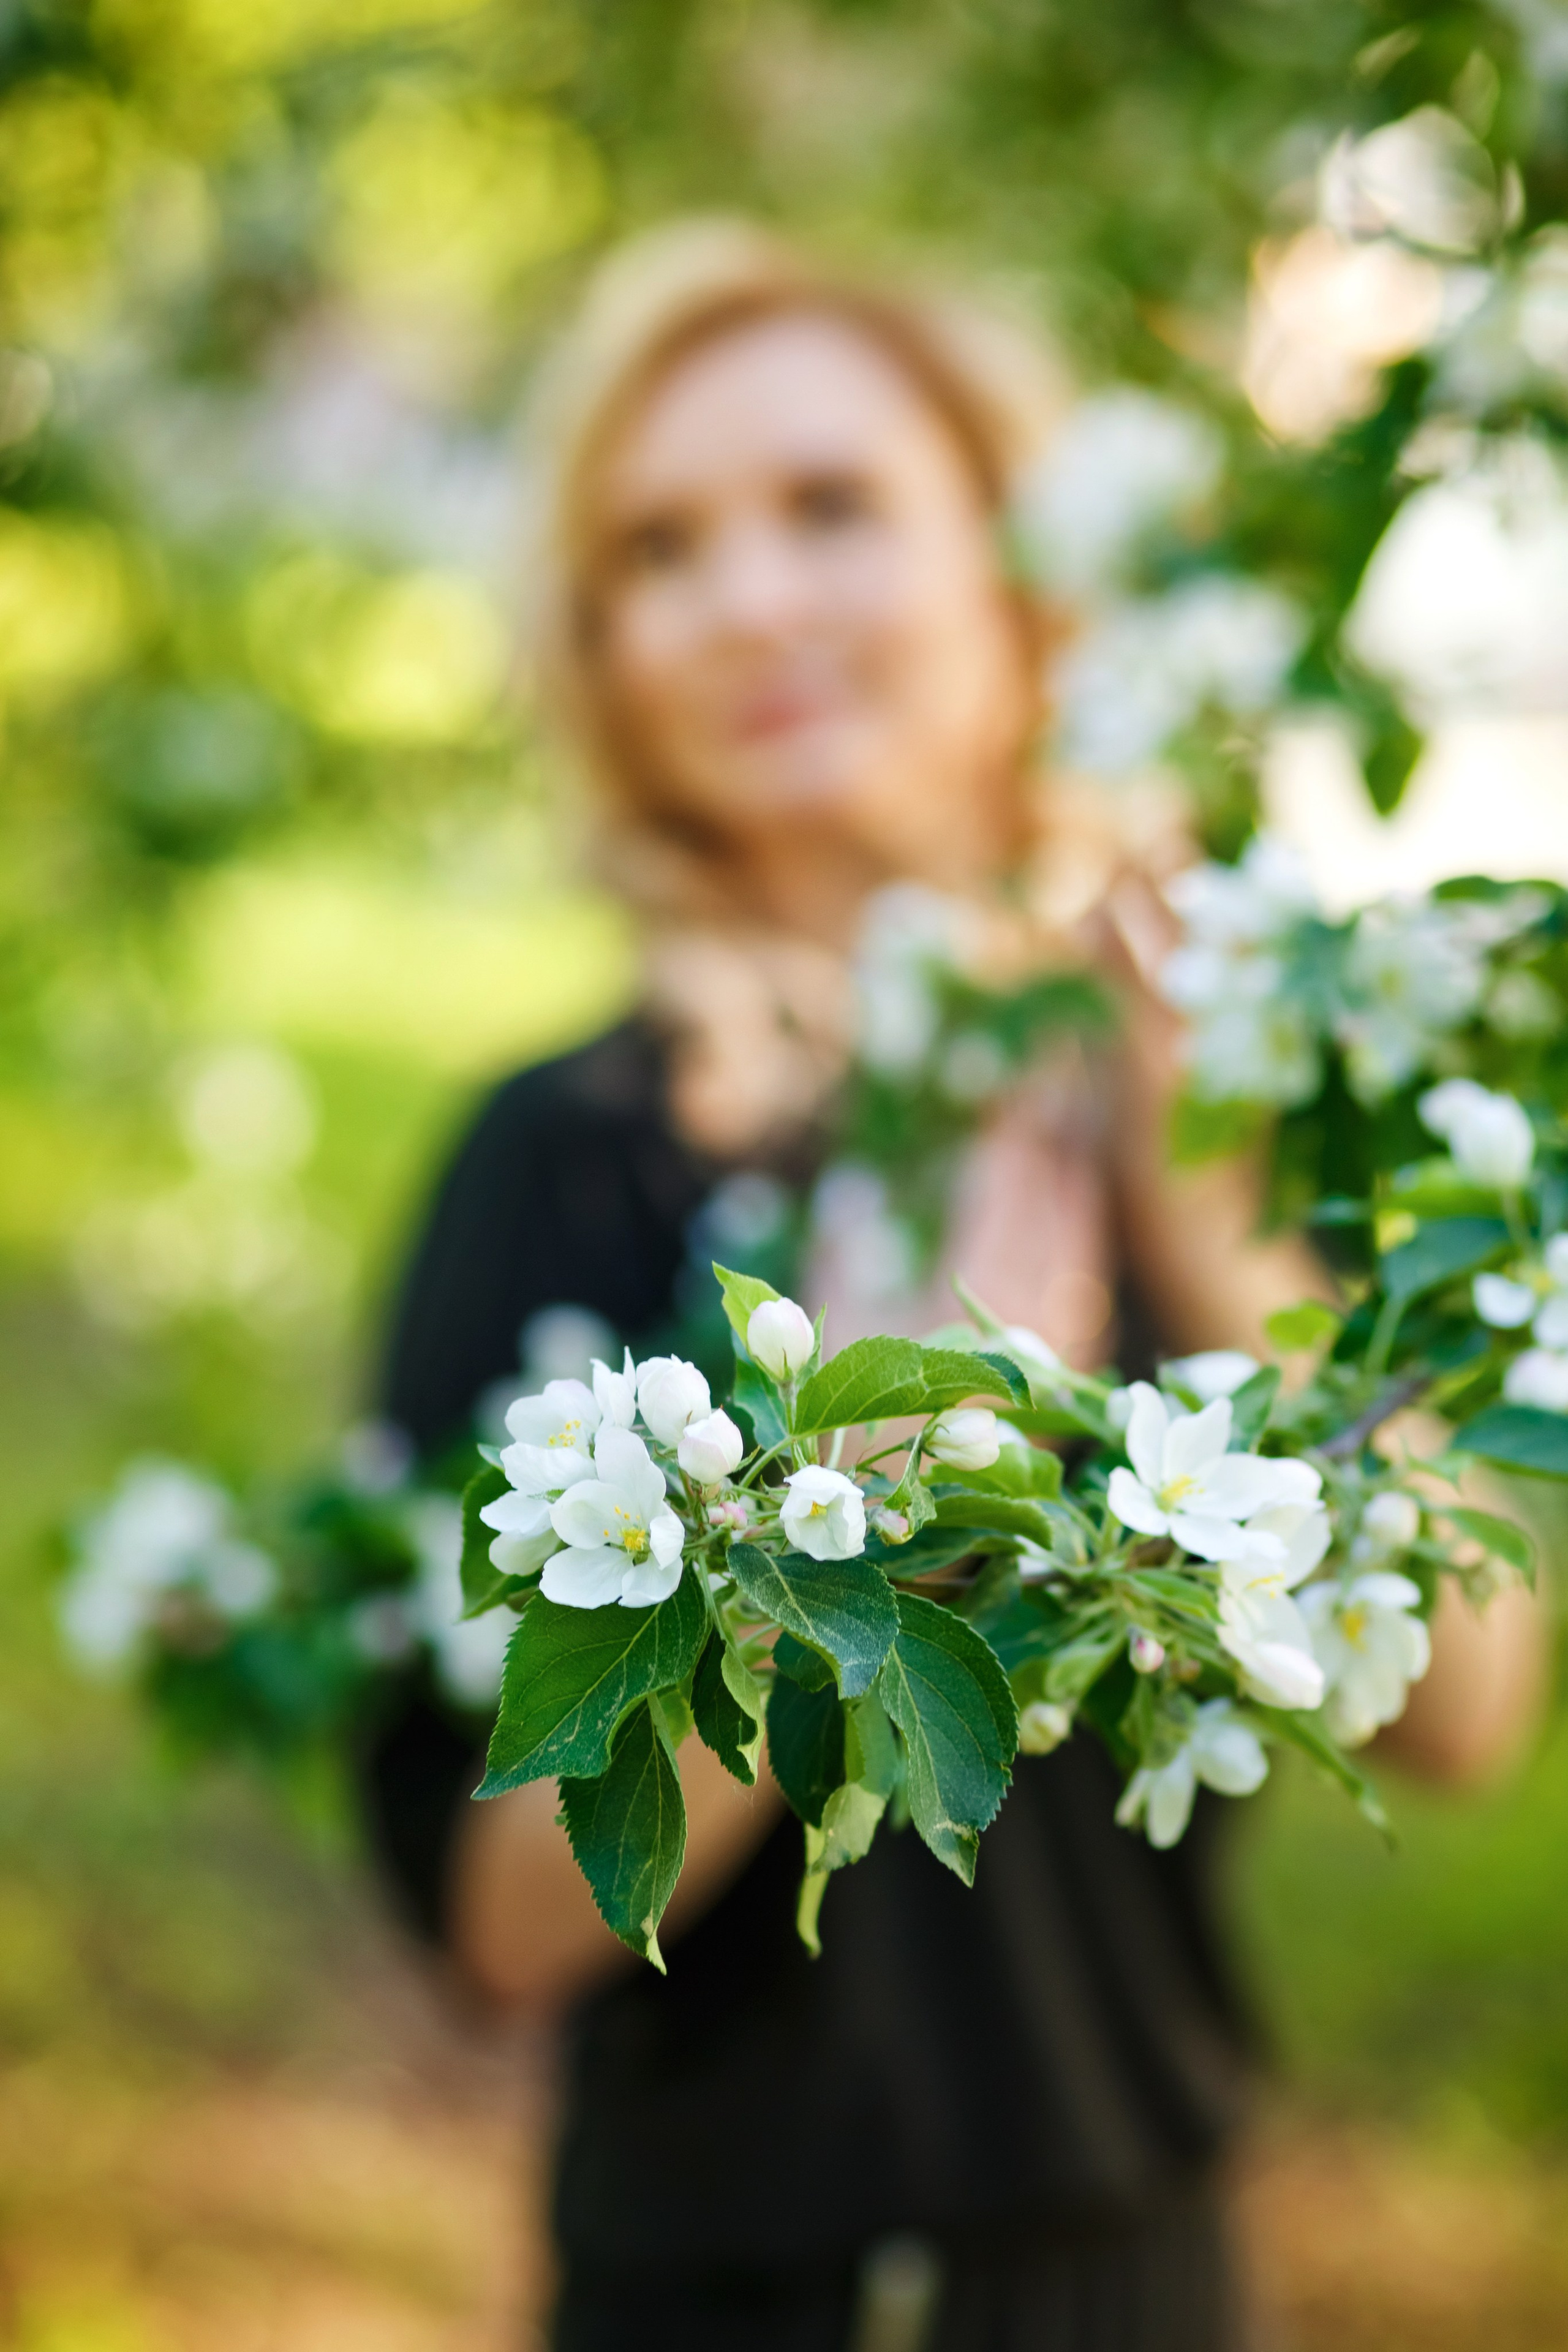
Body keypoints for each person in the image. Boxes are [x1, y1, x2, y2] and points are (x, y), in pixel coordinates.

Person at [361, 223, 1544, 2352]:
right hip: (704, 2294)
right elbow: (508, 1924)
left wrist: (1190, 1203)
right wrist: (874, 1427)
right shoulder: (564, 1161)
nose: (750, 600)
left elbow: (1462, 1708)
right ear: (603, 650)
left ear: (1018, 573)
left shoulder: (1213, 1066)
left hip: (1129, 2261)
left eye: (831, 506)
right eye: (660, 548)